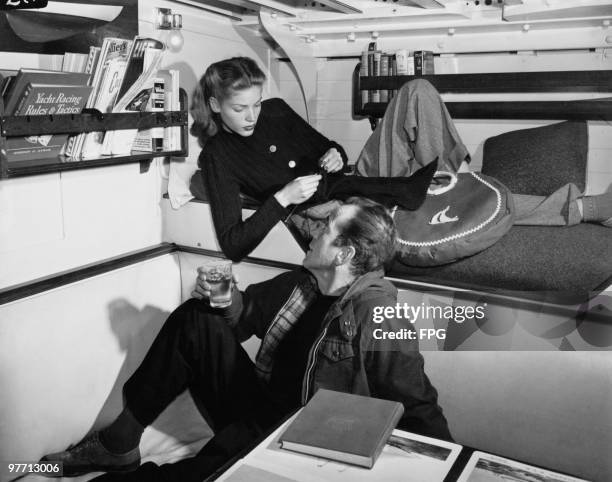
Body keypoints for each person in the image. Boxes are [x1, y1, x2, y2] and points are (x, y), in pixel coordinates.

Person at [42, 197, 451, 481]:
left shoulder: (377, 312)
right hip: (261, 409)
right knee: (196, 318)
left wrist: (450, 469)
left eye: (326, 228)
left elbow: (415, 405)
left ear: (344, 253)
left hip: (295, 440)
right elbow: (241, 317)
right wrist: (222, 294)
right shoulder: (304, 283)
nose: (313, 232)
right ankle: (119, 443)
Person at [189, 56, 612, 262]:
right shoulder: (218, 157)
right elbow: (233, 245)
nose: (252, 116)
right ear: (215, 104)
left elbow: (328, 145)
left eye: (255, 104)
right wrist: (282, 197)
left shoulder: (276, 110)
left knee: (417, 90)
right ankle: (584, 207)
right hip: (332, 209)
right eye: (239, 109)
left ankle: (450, 181)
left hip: (355, 177)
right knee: (425, 195)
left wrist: (333, 154)